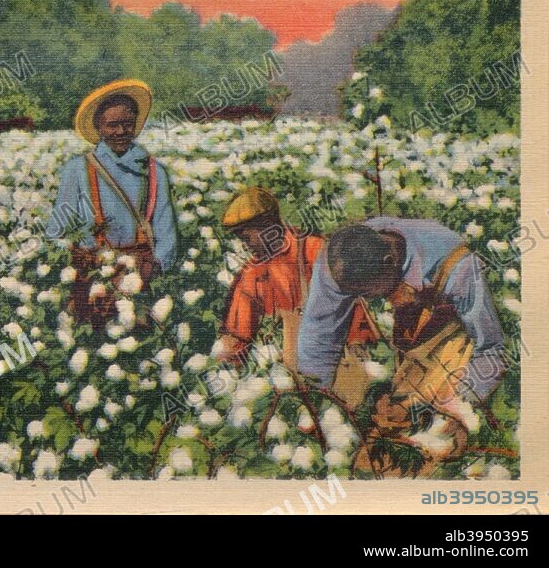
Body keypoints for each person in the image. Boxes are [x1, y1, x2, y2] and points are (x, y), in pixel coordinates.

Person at [297, 218, 508, 477]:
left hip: (459, 353)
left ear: (390, 261)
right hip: (413, 359)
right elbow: (319, 337)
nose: (367, 300)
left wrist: (452, 408)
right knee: (374, 454)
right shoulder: (338, 261)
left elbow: (492, 350)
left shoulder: (454, 265)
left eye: (370, 293)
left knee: (432, 455)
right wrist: (313, 402)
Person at [47, 79, 179, 327]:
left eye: (127, 124)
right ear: (99, 126)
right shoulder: (77, 170)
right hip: (92, 278)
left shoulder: (154, 171)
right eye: (112, 125)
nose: (120, 132)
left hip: (141, 276)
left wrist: (153, 267)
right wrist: (77, 258)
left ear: (136, 125)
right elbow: (58, 230)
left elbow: (166, 230)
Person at [215, 187, 377, 371]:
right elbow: (238, 335)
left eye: (246, 238)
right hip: (285, 368)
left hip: (334, 358)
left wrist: (357, 343)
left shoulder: (314, 251)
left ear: (267, 225)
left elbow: (351, 304)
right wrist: (226, 365)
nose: (245, 245)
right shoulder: (251, 275)